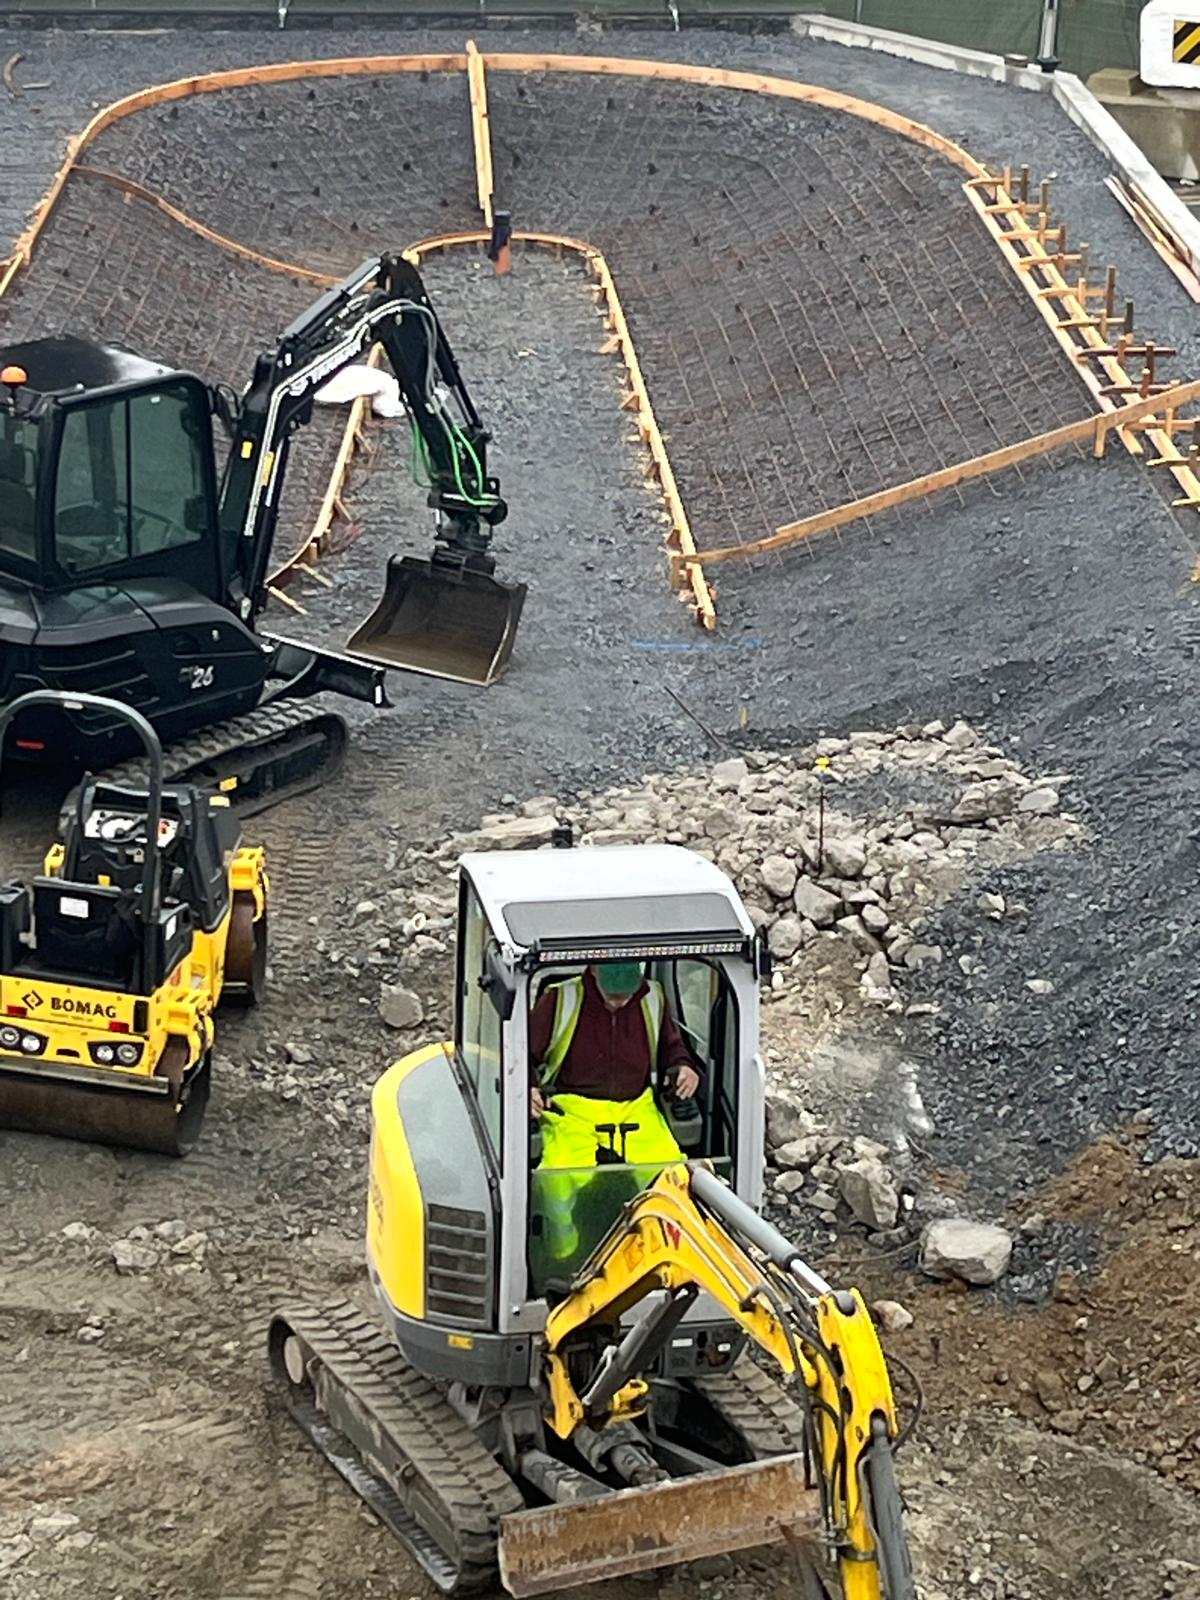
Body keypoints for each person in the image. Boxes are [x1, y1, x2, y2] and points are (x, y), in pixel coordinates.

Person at [528, 962, 700, 1273]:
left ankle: (663, 1256)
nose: (621, 1002)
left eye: (627, 995)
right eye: (613, 995)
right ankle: (562, 1258)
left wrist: (684, 1066)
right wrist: (527, 1086)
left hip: (636, 1105)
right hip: (574, 1106)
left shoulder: (652, 998)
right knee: (557, 1177)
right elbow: (522, 1053)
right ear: (593, 971)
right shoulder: (559, 1001)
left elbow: (672, 1048)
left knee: (671, 1173)